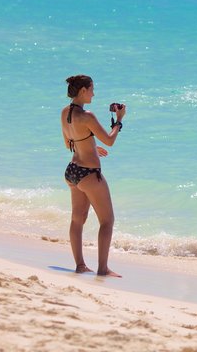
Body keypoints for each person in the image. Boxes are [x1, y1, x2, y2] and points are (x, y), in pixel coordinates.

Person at [61, 75, 125, 277]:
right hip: (89, 174)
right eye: (91, 89)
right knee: (107, 221)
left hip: (72, 171)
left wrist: (90, 145)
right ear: (83, 91)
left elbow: (69, 143)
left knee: (77, 219)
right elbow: (110, 140)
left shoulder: (65, 113)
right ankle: (103, 269)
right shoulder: (87, 116)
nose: (93, 93)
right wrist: (119, 121)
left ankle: (80, 265)